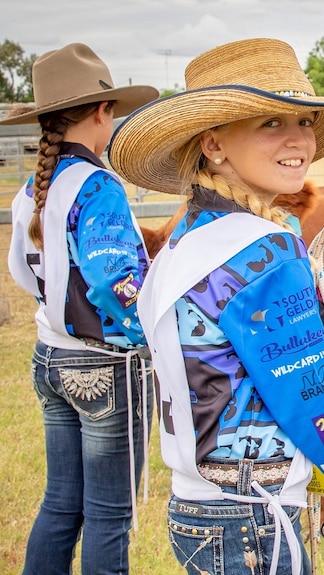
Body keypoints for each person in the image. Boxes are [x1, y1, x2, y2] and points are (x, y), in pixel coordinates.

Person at [107, 37, 324, 574]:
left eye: (305, 121)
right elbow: (314, 401)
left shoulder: (187, 238)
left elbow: (255, 363)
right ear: (214, 145)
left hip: (199, 507)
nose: (299, 140)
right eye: (270, 123)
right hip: (252, 523)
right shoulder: (267, 252)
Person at [1, 43, 159, 575]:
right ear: (101, 112)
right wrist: (151, 332)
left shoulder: (34, 189)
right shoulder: (98, 187)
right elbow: (116, 280)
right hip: (104, 368)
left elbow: (22, 270)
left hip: (51, 358)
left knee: (61, 502)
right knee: (109, 513)